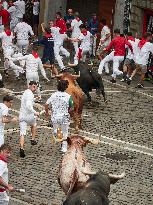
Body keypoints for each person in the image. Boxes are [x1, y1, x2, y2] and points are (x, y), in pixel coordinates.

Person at [45, 80, 74, 153]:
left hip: (55, 117)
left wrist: (47, 112)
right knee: (65, 132)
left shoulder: (53, 95)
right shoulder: (68, 96)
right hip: (64, 117)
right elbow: (72, 108)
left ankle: (61, 140)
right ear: (66, 87)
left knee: (56, 131)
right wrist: (70, 113)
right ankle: (64, 148)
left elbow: (46, 104)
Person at [19, 81, 40, 158]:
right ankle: (33, 139)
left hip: (22, 115)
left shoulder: (25, 92)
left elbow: (28, 101)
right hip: (29, 116)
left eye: (36, 87)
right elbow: (28, 105)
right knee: (34, 124)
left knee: (22, 133)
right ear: (30, 86)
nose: (35, 88)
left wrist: (34, 99)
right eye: (34, 87)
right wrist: (35, 112)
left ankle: (21, 147)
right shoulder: (30, 94)